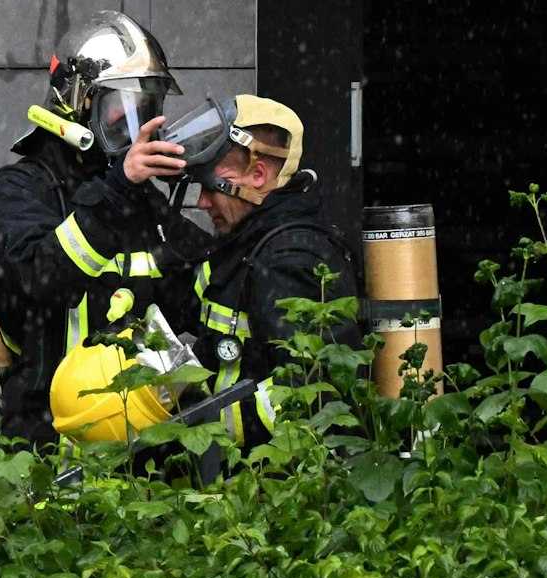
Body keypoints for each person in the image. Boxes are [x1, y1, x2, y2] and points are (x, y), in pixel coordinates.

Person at [0, 10, 202, 445]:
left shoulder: (139, 200)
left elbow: (205, 291)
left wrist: (235, 193)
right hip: (48, 442)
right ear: (79, 103)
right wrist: (117, 190)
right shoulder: (21, 190)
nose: (134, 127)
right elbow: (42, 282)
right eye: (122, 108)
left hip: (139, 440)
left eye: (146, 107)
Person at [105, 93, 363, 445]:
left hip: (269, 481)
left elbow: (308, 392)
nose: (203, 202)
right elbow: (182, 304)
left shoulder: (290, 260)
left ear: (257, 174)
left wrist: (199, 432)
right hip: (230, 470)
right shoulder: (242, 246)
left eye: (212, 186)